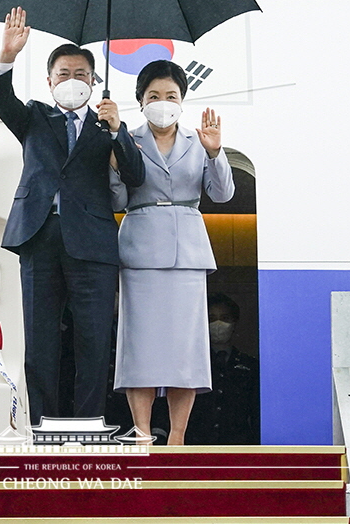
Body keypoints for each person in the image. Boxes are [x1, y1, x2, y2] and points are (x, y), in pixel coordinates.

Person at [0, 7, 146, 425]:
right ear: (49, 80)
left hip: (92, 244)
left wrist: (117, 131)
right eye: (62, 73)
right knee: (39, 341)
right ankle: (41, 425)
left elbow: (135, 175)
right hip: (39, 236)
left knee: (93, 340)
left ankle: (88, 424)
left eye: (80, 73)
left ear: (93, 82)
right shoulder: (35, 116)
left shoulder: (106, 122)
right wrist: (6, 56)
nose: (71, 79)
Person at [110, 59, 235, 445]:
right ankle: (143, 434)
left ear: (182, 100)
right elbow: (115, 199)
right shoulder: (126, 141)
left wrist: (215, 153)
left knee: (186, 350)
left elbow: (222, 193)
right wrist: (113, 165)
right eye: (154, 96)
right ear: (140, 100)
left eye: (171, 96)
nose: (162, 102)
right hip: (140, 248)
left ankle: (177, 436)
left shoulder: (198, 142)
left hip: (188, 251)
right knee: (140, 346)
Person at [186, 293, 261, 445]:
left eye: (225, 318)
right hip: (196, 443)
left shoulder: (250, 365)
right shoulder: (190, 363)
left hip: (238, 445)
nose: (218, 324)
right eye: (211, 319)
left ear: (235, 323)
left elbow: (257, 412)